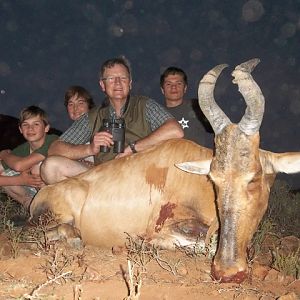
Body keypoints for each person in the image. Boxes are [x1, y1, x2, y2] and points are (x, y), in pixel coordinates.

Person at [41, 56, 184, 184]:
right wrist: (89, 148)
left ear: (130, 83)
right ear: (102, 85)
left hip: (140, 176)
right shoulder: (93, 116)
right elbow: (55, 149)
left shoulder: (144, 105)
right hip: (104, 179)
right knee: (50, 166)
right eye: (110, 78)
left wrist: (133, 148)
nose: (117, 83)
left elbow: (175, 130)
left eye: (123, 78)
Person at [0, 106, 59, 209]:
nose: (30, 128)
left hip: (60, 190)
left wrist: (3, 154)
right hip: (37, 192)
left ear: (46, 128)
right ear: (20, 129)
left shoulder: (53, 141)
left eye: (36, 124)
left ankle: (54, 208)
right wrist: (20, 180)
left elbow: (19, 165)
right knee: (5, 173)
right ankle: (33, 209)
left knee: (38, 167)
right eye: (25, 124)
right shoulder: (23, 149)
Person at [160, 66, 213, 148]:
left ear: (185, 88)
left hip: (197, 158)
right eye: (169, 84)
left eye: (179, 83)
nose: (174, 87)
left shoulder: (197, 107)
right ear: (162, 90)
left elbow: (218, 130)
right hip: (167, 158)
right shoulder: (156, 114)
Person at [64, 85, 95, 165]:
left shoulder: (93, 123)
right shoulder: (72, 131)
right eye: (71, 104)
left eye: (80, 103)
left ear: (89, 105)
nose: (75, 108)